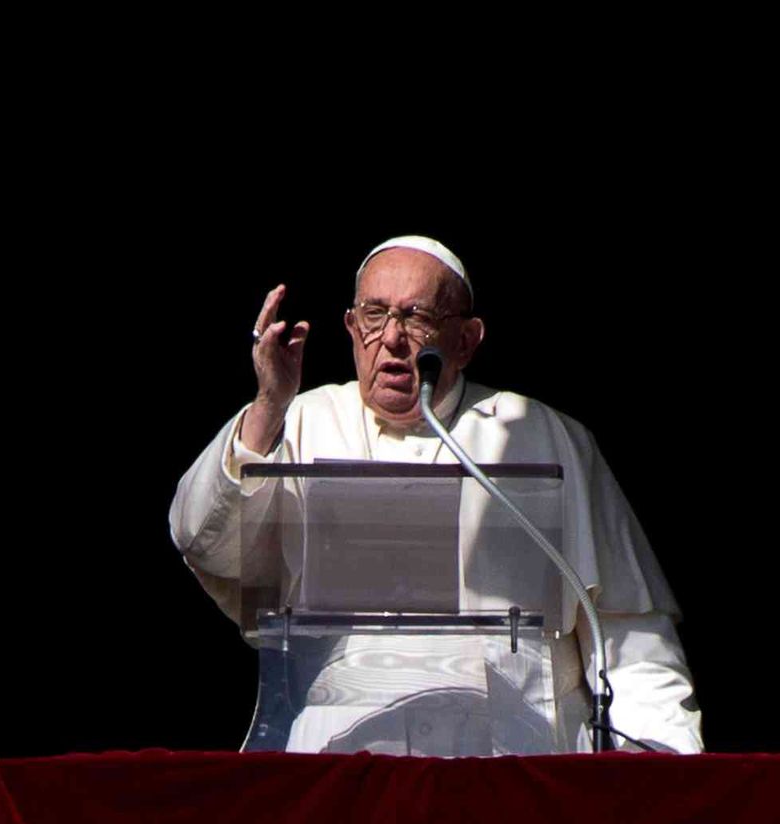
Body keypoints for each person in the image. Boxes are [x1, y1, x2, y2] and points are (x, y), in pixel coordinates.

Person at [169, 236, 702, 755]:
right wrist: (266, 406)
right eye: (374, 315)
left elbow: (628, 629)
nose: (393, 338)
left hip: (515, 761)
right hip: (343, 757)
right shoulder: (300, 422)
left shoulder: (543, 436)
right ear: (351, 328)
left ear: (467, 340)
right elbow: (204, 540)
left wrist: (665, 773)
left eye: (418, 315)